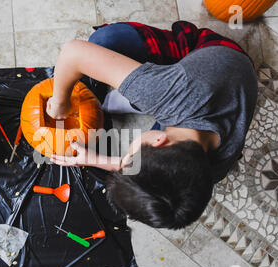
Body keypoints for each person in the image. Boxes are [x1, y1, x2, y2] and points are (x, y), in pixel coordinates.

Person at [47, 21, 258, 230]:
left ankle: (134, 100)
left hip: (231, 78)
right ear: (159, 139)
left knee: (144, 99)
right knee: (103, 41)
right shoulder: (168, 94)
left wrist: (96, 160)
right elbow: (72, 52)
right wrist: (59, 102)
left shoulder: (206, 171)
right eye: (131, 156)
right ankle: (134, 100)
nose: (129, 156)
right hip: (211, 51)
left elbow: (157, 175)